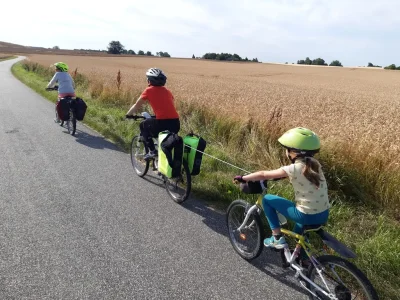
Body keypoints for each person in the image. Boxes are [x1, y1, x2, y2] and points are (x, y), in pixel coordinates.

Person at [234, 127, 330, 249]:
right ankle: (304, 261)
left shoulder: (293, 169)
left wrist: (243, 178)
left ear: (294, 152)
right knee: (298, 234)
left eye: (287, 149)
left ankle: (277, 238)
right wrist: (282, 177)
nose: (286, 152)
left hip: (306, 215)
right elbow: (303, 177)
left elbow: (263, 174)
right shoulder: (316, 165)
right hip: (323, 213)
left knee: (267, 199)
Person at [126, 68, 180, 160]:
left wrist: (128, 115)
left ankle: (152, 151)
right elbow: (167, 107)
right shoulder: (168, 91)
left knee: (143, 125)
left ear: (150, 80)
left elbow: (136, 105)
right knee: (166, 143)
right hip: (175, 123)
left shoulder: (148, 90)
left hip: (161, 123)